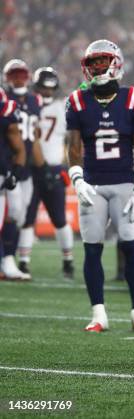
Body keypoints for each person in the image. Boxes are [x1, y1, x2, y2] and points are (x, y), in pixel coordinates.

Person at [66, 39, 134, 332]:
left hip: (125, 183)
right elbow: (74, 147)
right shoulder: (77, 100)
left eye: (102, 61)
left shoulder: (133, 98)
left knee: (130, 246)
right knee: (92, 249)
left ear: (116, 63)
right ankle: (98, 313)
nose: (97, 67)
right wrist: (77, 179)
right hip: (92, 185)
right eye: (93, 63)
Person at [17, 67, 74, 279]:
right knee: (28, 217)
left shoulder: (31, 106)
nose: (46, 93)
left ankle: (66, 262)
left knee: (56, 218)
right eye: (44, 89)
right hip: (40, 167)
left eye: (48, 89)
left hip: (47, 168)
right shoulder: (62, 107)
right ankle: (24, 262)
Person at [1, 59, 45, 280]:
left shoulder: (36, 100)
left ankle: (9, 259)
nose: (18, 78)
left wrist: (42, 166)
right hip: (8, 163)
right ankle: (7, 259)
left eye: (21, 74)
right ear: (8, 77)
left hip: (25, 164)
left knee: (19, 215)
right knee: (11, 212)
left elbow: (35, 136)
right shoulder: (4, 98)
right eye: (14, 74)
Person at [0, 97, 27, 279]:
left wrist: (15, 172)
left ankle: (8, 259)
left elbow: (19, 146)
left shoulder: (6, 108)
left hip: (1, 171)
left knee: (15, 214)